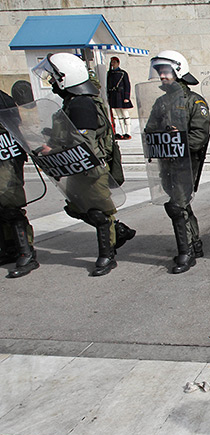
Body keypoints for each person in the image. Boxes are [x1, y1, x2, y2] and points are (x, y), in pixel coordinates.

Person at [32, 52, 134, 276]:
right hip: (78, 169)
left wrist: (53, 150)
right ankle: (119, 231)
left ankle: (107, 256)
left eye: (54, 77)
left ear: (66, 78)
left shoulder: (82, 105)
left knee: (99, 214)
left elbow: (83, 143)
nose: (51, 82)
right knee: (77, 209)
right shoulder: (72, 103)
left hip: (92, 170)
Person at [145, 50, 210, 274]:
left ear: (178, 71)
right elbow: (149, 130)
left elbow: (199, 136)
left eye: (166, 71)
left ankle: (186, 252)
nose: (162, 76)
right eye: (160, 72)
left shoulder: (194, 101)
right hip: (166, 163)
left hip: (186, 163)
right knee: (181, 205)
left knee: (177, 206)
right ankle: (195, 243)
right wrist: (163, 135)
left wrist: (179, 140)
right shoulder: (161, 102)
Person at [0, 90, 38, 278]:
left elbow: (14, 125)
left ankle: (26, 252)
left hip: (5, 158)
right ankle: (9, 249)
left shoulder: (1, 98)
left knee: (10, 205)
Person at [107, 56, 133, 140]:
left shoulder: (123, 73)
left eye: (114, 62)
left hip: (121, 95)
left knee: (125, 114)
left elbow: (127, 85)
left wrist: (126, 97)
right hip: (114, 95)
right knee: (119, 115)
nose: (113, 64)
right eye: (112, 62)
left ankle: (128, 132)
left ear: (118, 63)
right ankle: (122, 132)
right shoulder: (110, 73)